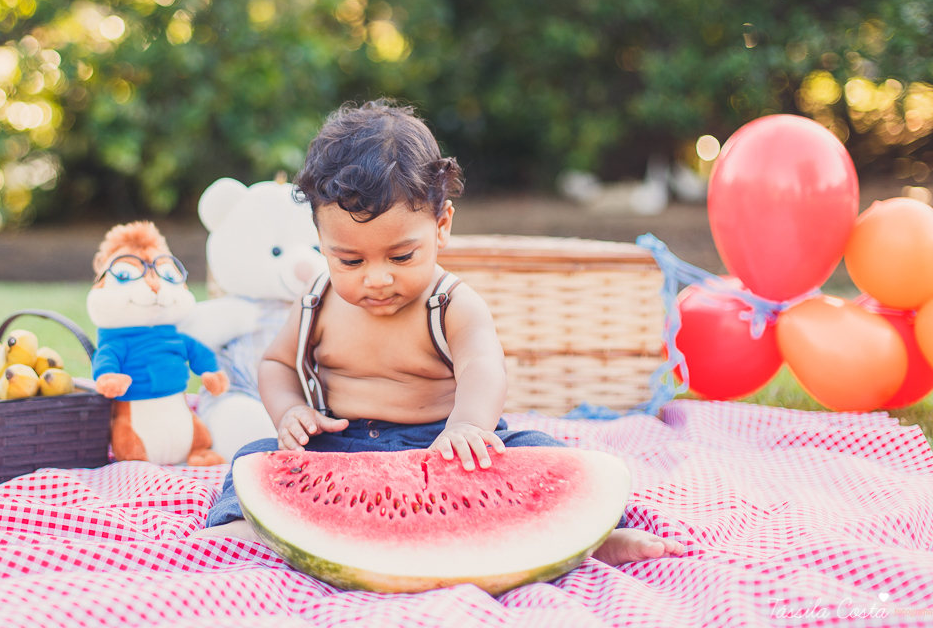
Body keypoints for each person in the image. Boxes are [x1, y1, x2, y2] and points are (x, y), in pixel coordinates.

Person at [195, 100, 685, 566]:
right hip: (342, 444)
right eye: (350, 260)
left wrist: (470, 424)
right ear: (320, 241)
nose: (377, 278)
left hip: (446, 442)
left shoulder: (451, 302)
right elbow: (278, 364)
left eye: (401, 256)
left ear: (441, 226)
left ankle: (595, 532)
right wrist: (290, 412)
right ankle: (244, 526)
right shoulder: (315, 299)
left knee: (543, 451)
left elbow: (482, 365)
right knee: (252, 460)